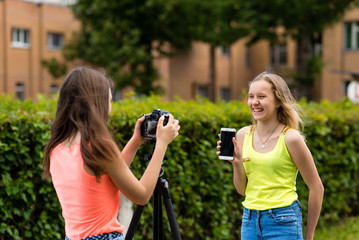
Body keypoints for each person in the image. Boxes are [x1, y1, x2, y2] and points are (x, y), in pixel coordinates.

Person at [42, 66, 180, 240]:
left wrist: (135, 141)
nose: (110, 106)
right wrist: (162, 144)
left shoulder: (56, 147)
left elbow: (108, 176)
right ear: (96, 104)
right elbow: (142, 195)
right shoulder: (100, 146)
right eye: (109, 100)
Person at [217, 72, 324, 240]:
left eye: (261, 96)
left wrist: (309, 235)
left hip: (283, 221)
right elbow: (242, 190)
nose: (254, 102)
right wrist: (236, 162)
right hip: (249, 222)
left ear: (278, 102)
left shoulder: (291, 138)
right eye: (251, 96)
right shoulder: (243, 135)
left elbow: (317, 187)